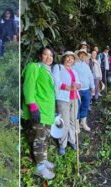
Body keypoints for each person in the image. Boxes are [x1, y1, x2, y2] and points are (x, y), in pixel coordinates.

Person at [22, 46, 56, 179]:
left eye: (51, 55)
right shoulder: (34, 67)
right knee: (39, 138)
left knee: (45, 137)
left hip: (48, 110)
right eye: (45, 55)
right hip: (39, 109)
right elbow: (28, 86)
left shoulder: (48, 71)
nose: (48, 58)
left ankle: (44, 159)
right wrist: (32, 106)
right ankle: (40, 167)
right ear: (40, 56)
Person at [52, 51, 81, 155]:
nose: (69, 59)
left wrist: (77, 86)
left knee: (73, 120)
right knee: (64, 122)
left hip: (74, 98)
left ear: (73, 61)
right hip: (63, 98)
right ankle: (62, 144)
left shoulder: (74, 70)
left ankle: (72, 140)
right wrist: (68, 87)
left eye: (72, 58)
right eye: (67, 57)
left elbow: (78, 82)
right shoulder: (58, 67)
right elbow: (56, 81)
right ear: (63, 59)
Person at [73, 49, 95, 132]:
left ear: (86, 56)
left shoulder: (87, 66)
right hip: (77, 90)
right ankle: (76, 125)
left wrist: (92, 87)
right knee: (77, 106)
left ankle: (83, 123)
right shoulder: (74, 65)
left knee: (85, 106)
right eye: (81, 54)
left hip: (86, 90)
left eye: (84, 55)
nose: (82, 56)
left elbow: (90, 77)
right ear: (78, 55)